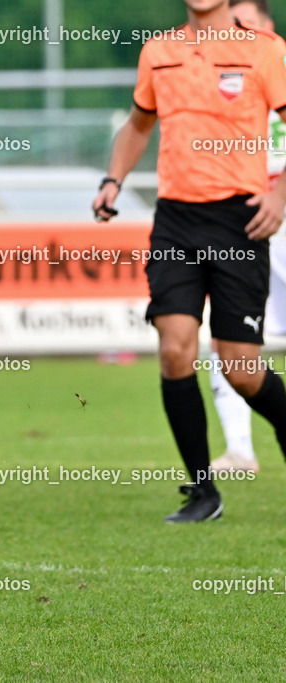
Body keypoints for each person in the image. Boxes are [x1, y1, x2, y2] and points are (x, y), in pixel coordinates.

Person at [93, 0, 286, 522]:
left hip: (241, 221)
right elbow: (138, 124)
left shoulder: (266, 51)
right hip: (175, 221)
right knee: (175, 349)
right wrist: (113, 181)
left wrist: (279, 194)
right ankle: (204, 493)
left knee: (242, 370)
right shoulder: (159, 51)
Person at [209, 0, 286, 474]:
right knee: (228, 336)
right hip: (241, 214)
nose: (238, 34)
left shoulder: (276, 63)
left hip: (279, 205)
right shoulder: (219, 75)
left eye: (247, 24)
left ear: (268, 26)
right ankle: (240, 449)